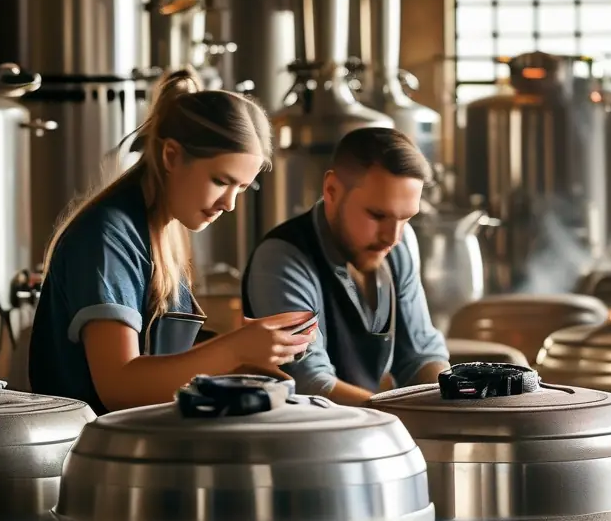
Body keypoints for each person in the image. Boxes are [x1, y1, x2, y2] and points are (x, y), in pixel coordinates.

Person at [28, 68, 315, 415]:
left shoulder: (164, 229)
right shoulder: (107, 237)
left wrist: (249, 345)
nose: (230, 203)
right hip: (93, 456)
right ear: (171, 156)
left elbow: (164, 361)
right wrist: (235, 349)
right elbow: (121, 386)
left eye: (242, 187)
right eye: (221, 180)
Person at [242, 127, 450, 406]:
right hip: (302, 442)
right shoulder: (281, 258)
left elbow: (420, 355)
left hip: (374, 431)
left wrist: (451, 404)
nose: (393, 236)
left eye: (406, 218)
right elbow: (311, 384)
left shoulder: (399, 243)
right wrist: (409, 419)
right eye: (377, 215)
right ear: (332, 190)